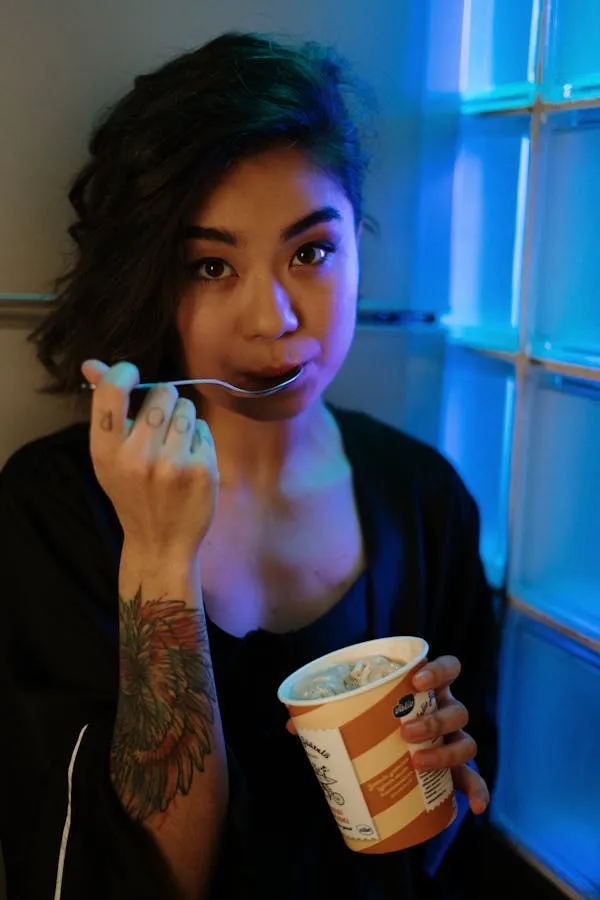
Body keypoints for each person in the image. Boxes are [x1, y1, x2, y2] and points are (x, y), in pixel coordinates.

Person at [0, 31, 498, 900]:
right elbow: (137, 882)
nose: (272, 319)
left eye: (311, 251)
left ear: (359, 243)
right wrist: (157, 558)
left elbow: (444, 842)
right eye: (211, 266)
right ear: (154, 278)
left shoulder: (426, 500)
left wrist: (443, 781)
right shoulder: (52, 508)